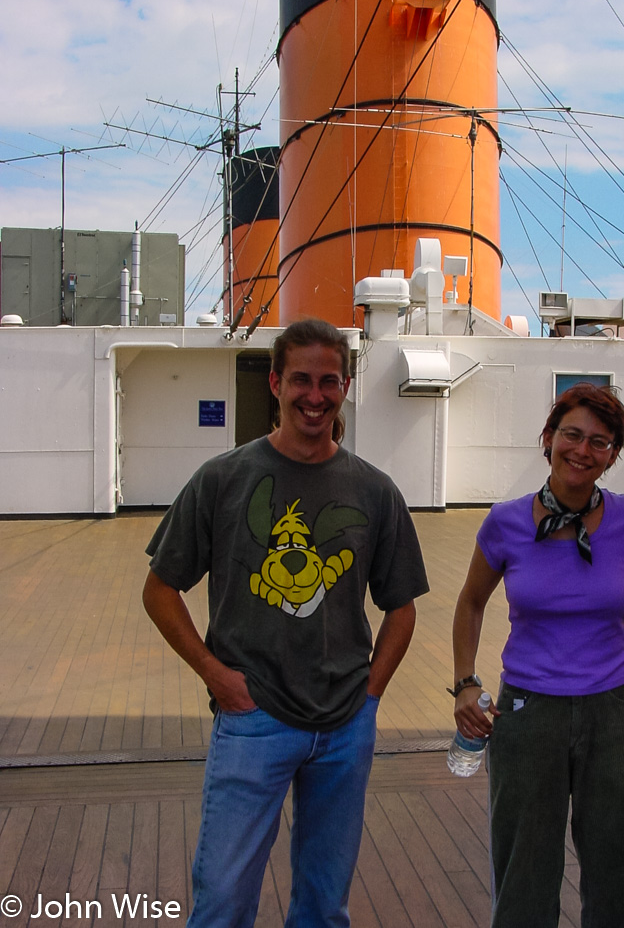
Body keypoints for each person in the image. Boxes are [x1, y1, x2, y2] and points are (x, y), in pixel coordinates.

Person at [143, 318, 428, 928]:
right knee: (222, 901)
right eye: (301, 379)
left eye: (329, 381)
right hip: (253, 720)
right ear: (275, 382)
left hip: (346, 725)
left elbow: (401, 607)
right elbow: (161, 590)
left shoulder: (375, 492)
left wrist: (370, 695)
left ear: (346, 386)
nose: (314, 395)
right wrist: (218, 676)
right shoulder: (223, 480)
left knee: (325, 906)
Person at [451, 383, 624, 928]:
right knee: (524, 866)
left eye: (600, 442)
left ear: (613, 455)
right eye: (572, 435)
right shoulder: (505, 522)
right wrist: (464, 681)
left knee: (620, 862)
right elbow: (470, 601)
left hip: (617, 712)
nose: (583, 450)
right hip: (529, 712)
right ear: (548, 439)